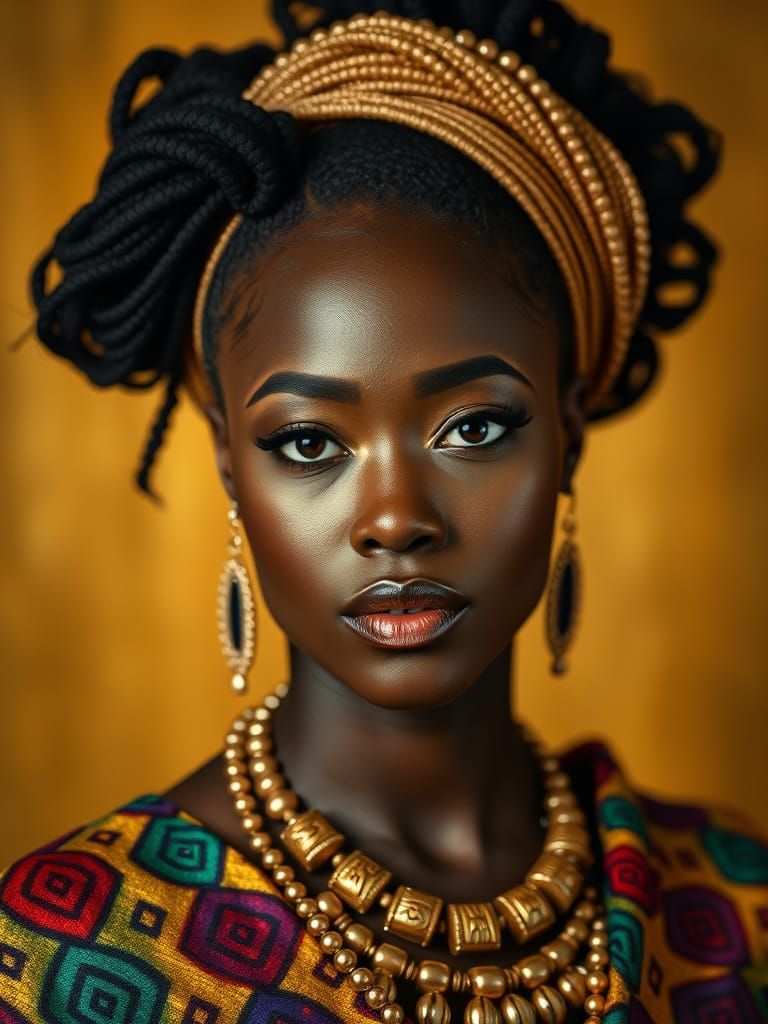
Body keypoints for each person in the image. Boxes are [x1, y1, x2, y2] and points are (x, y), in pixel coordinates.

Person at [1, 2, 765, 1022]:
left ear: (569, 430)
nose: (396, 518)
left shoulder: (736, 905)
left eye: (475, 427)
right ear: (231, 460)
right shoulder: (57, 961)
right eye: (310, 442)